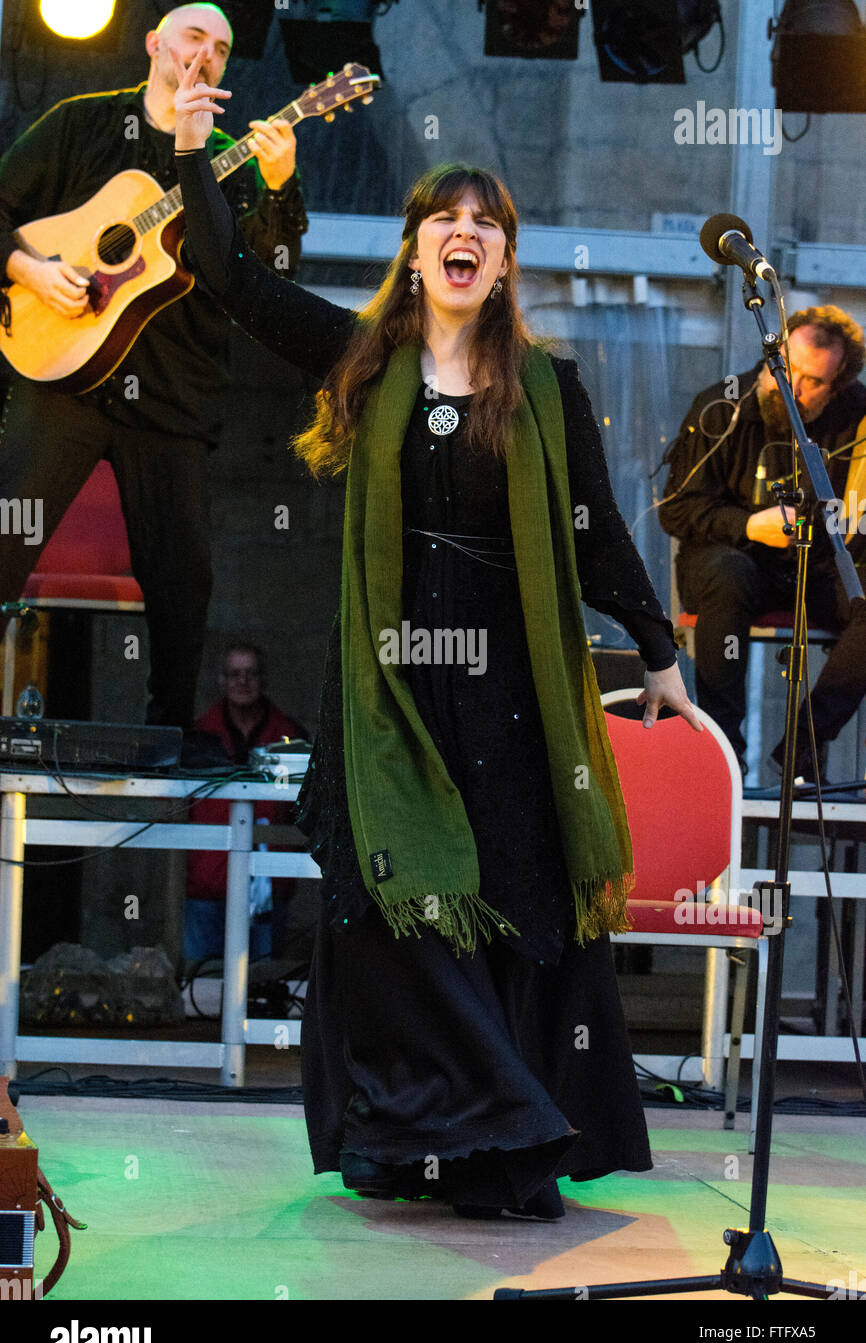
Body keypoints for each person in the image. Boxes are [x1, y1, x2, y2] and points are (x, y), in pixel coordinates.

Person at [172, 48, 700, 1220]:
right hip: (392, 691)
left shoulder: (546, 389)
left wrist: (657, 655)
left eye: (486, 221)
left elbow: (598, 533)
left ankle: (505, 1150)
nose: (464, 232)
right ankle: (472, 1138)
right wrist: (191, 152)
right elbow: (229, 276)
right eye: (442, 217)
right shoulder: (364, 363)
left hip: (512, 694)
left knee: (511, 913)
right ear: (417, 250)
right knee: (399, 913)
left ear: (502, 257)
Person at [0, 4, 308, 729]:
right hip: (60, 373)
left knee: (181, 580)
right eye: (195, 36)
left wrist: (282, 183)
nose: (209, 53)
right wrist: (29, 271)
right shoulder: (81, 123)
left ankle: (168, 733)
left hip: (172, 396)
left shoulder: (229, 161)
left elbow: (266, 271)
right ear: (154, 44)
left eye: (224, 48)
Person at [660, 306, 866, 779]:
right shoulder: (721, 406)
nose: (790, 386)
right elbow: (676, 510)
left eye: (812, 381)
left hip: (815, 567)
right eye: (784, 367)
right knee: (727, 575)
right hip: (731, 561)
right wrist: (751, 526)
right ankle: (723, 757)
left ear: (840, 387)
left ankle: (805, 740)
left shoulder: (856, 413)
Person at [184, 641, 310, 965]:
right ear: (222, 681)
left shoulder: (291, 736)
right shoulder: (198, 736)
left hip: (269, 891)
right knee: (203, 991)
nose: (242, 681)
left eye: (251, 674)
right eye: (234, 674)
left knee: (262, 992)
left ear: (263, 680)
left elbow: (306, 810)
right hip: (207, 891)